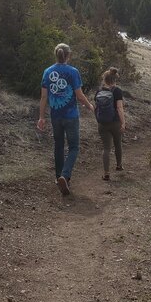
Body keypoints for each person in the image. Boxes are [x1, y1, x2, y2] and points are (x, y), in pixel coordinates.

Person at [37, 43, 94, 196]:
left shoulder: (47, 72)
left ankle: (58, 178)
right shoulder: (73, 72)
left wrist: (41, 117)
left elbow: (43, 97)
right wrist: (89, 105)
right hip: (71, 116)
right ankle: (65, 175)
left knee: (58, 146)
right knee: (74, 147)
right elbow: (79, 95)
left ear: (56, 55)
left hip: (55, 116)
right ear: (68, 55)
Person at [94, 67, 126, 181]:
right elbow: (119, 108)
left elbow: (96, 108)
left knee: (106, 148)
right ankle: (119, 165)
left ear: (105, 79)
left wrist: (98, 120)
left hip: (102, 123)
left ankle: (106, 173)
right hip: (115, 122)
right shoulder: (117, 91)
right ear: (114, 79)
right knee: (118, 143)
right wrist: (123, 122)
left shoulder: (99, 91)